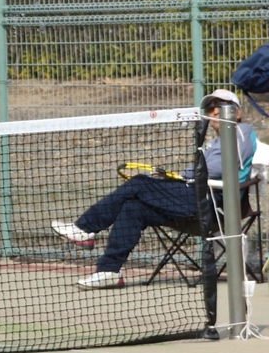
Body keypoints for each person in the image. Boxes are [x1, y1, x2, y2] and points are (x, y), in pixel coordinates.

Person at [51, 89, 258, 289]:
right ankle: (109, 270)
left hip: (215, 206)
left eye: (221, 105)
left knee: (139, 183)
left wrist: (183, 176)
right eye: (210, 107)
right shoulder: (213, 143)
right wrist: (172, 177)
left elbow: (220, 166)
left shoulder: (242, 131)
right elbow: (198, 170)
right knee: (134, 208)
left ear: (237, 112)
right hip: (194, 198)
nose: (215, 111)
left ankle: (84, 229)